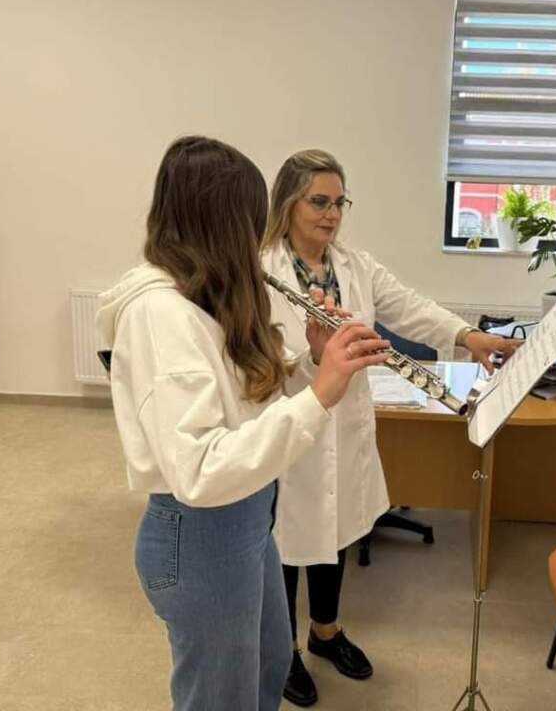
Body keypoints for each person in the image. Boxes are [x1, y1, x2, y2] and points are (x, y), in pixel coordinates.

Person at [96, 137, 389, 711]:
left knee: (268, 667)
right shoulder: (160, 314)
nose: (257, 240)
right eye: (251, 223)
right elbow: (202, 470)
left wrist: (312, 361)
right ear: (221, 223)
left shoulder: (200, 295)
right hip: (201, 534)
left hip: (250, 518)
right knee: (222, 698)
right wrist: (321, 395)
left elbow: (242, 401)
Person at [261, 149, 520, 707]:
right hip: (291, 420)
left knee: (334, 530)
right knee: (288, 540)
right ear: (288, 204)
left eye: (339, 202)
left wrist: (469, 336)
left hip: (346, 421)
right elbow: (260, 357)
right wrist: (314, 358)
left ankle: (325, 632)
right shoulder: (262, 271)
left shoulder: (355, 267)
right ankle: (282, 650)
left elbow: (410, 307)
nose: (332, 214)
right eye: (319, 202)